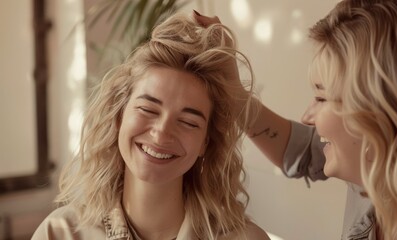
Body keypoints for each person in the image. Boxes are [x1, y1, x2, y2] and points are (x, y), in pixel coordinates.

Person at [194, 0, 397, 239]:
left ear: (380, 112)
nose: (307, 117)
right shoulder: (374, 166)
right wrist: (233, 89)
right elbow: (300, 151)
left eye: (321, 98)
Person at [32, 13, 270, 240]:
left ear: (205, 143)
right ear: (119, 117)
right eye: (147, 109)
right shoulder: (59, 233)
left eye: (188, 122)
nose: (162, 132)